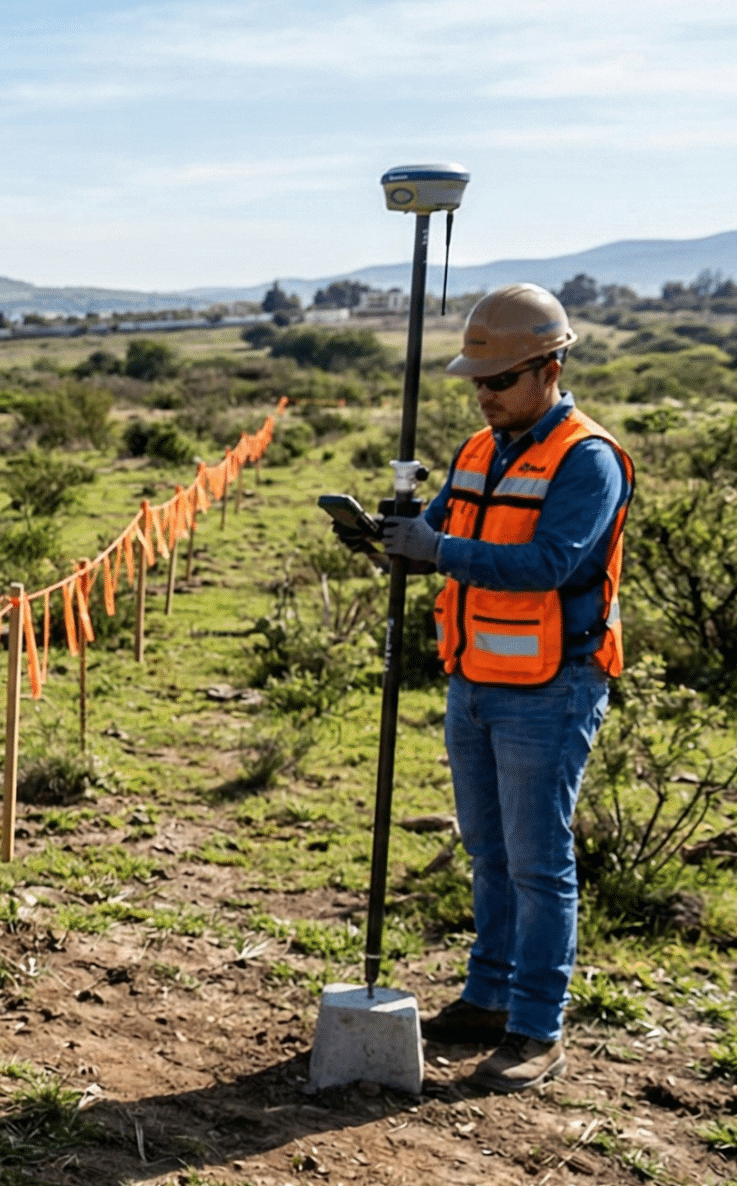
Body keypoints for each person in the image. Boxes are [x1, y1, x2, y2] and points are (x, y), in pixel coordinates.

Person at [344, 282, 632, 1092]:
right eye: (478, 379)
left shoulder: (588, 459)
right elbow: (438, 535)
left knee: (540, 863)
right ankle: (487, 997)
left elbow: (549, 565)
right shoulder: (477, 449)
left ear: (551, 366)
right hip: (473, 677)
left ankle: (537, 1030)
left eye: (499, 379)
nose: (485, 392)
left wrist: (435, 551)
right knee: (490, 851)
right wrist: (388, 539)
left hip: (551, 685)